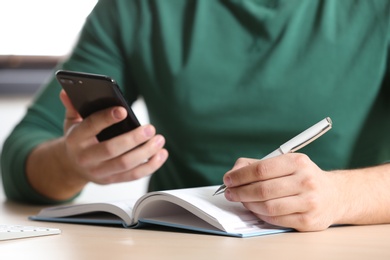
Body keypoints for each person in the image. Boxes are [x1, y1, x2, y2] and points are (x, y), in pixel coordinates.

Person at [1, 0, 390, 232]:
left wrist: (341, 197)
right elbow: (22, 153)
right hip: (177, 244)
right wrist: (71, 163)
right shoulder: (137, 7)